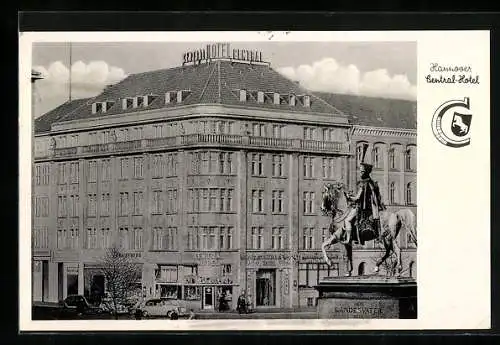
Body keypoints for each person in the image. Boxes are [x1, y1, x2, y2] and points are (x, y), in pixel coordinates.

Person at [344, 161, 385, 245]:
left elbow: (357, 198)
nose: (360, 173)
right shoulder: (372, 183)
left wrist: (349, 197)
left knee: (347, 220)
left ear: (366, 172)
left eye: (362, 171)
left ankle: (348, 240)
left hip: (361, 208)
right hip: (371, 208)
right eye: (360, 171)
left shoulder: (363, 183)